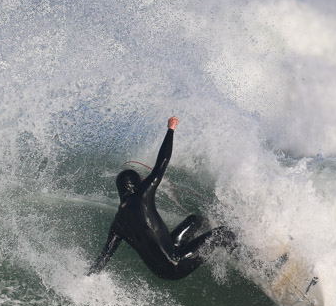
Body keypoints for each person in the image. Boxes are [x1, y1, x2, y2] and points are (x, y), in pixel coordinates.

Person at [88, 116, 236, 280]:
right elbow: (162, 162)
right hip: (176, 263)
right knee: (223, 233)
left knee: (194, 220)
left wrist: (87, 278)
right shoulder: (141, 195)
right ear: (135, 184)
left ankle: (212, 233)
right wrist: (170, 129)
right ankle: (248, 259)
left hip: (162, 268)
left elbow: (104, 256)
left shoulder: (118, 223)